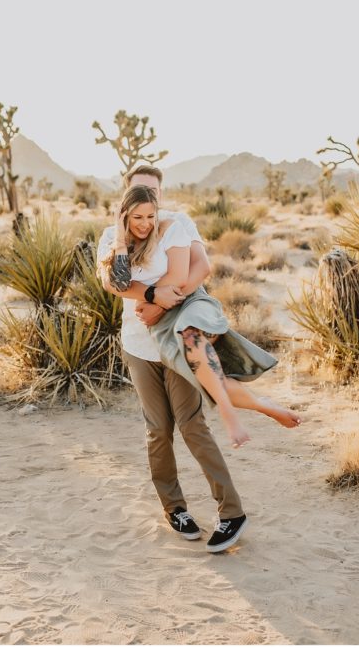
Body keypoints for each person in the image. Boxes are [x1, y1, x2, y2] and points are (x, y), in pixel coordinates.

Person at [96, 165, 298, 553]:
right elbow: (112, 283)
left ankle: (231, 511)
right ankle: (175, 508)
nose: (148, 202)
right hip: (138, 346)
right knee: (157, 430)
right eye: (140, 194)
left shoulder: (175, 224)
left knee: (192, 425)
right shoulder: (110, 236)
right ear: (125, 198)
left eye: (153, 194)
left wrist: (165, 302)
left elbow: (199, 268)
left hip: (174, 341)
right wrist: (151, 297)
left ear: (161, 194)